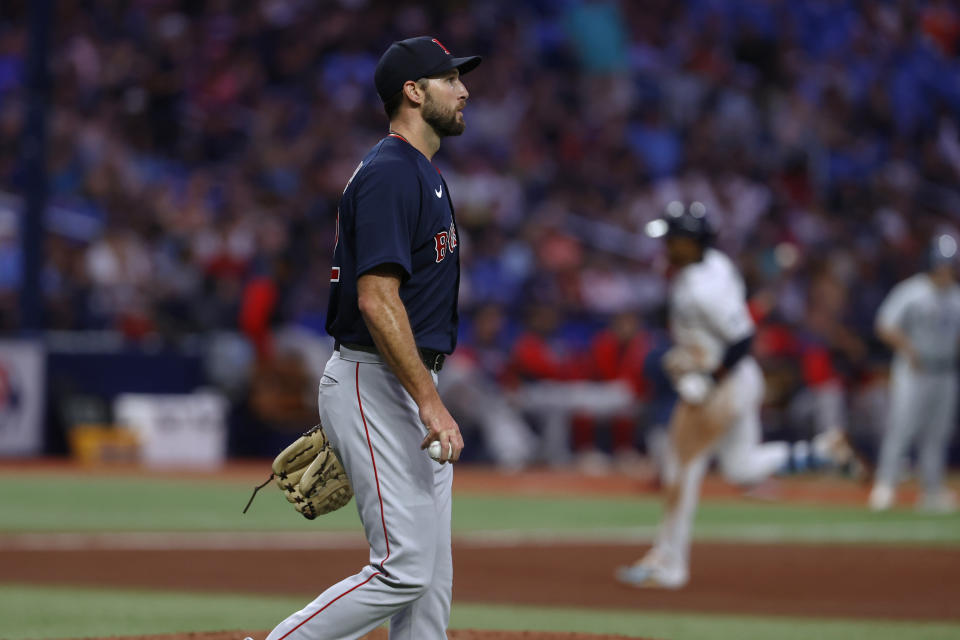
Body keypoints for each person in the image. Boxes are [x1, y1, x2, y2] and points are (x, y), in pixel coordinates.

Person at [263, 36, 480, 640]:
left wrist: (426, 395)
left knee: (430, 581)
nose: (464, 91)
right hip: (374, 378)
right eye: (450, 80)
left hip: (403, 382)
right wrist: (429, 401)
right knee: (404, 569)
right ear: (414, 92)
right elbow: (376, 298)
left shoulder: (420, 172)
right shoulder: (391, 173)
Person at [615, 202, 832, 589]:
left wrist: (708, 376)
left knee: (682, 469)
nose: (666, 244)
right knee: (740, 467)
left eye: (673, 238)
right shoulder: (712, 263)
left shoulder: (703, 287)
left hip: (723, 384)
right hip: (737, 379)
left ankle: (669, 564)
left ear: (692, 242)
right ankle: (820, 453)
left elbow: (743, 338)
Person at [868, 234, 960, 513]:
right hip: (914, 370)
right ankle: (886, 486)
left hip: (945, 371)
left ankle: (931, 491)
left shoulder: (956, 296)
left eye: (951, 264)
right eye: (943, 264)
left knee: (938, 433)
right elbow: (884, 324)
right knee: (902, 427)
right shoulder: (912, 291)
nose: (947, 269)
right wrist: (909, 349)